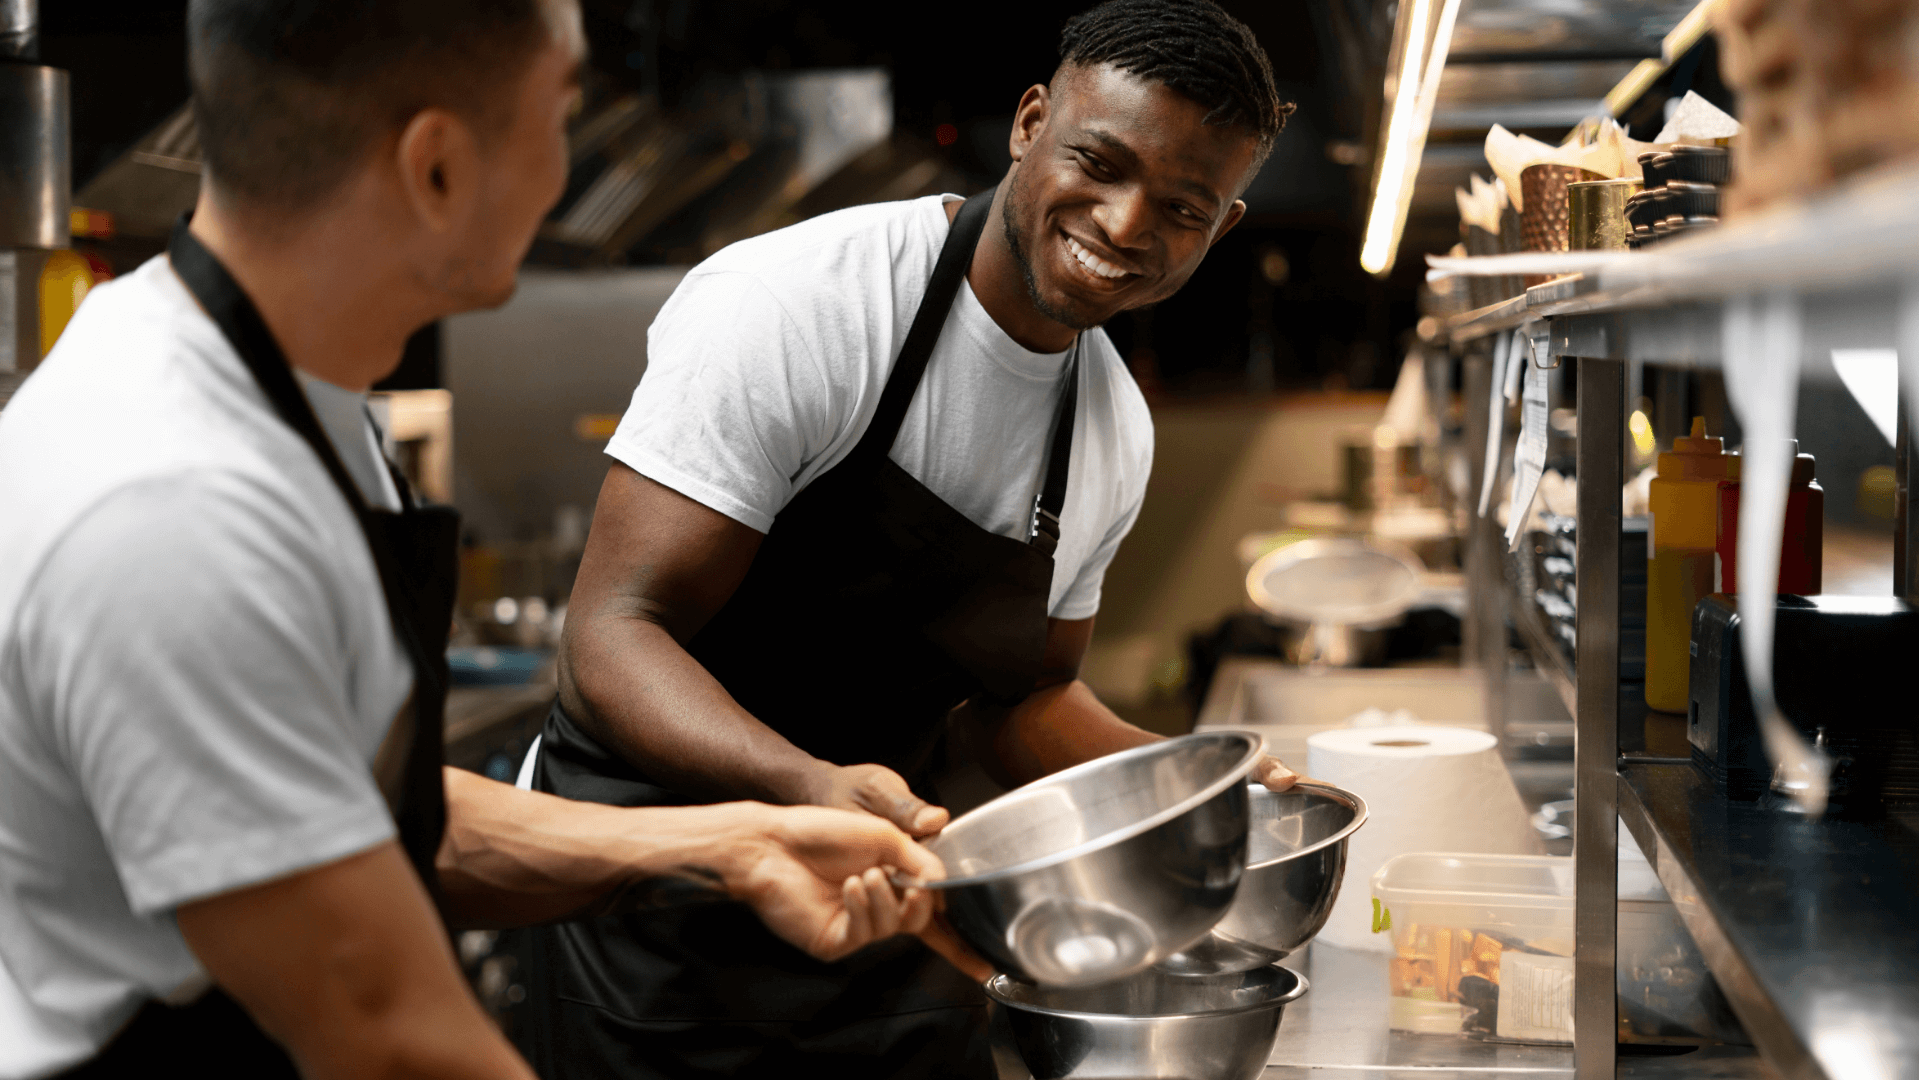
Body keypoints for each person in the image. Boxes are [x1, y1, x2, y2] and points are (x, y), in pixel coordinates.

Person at [0, 2, 948, 1078]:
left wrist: (731, 843)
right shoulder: (173, 504)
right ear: (438, 166)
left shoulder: (302, 410)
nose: (565, 162)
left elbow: (370, 818)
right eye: (560, 113)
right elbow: (384, 1030)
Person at [522, 1, 1298, 1076]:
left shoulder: (1113, 427)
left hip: (887, 913)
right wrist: (807, 786)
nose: (1126, 224)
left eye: (1182, 206)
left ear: (1224, 227)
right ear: (1031, 123)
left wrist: (1200, 784)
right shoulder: (799, 307)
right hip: (658, 918)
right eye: (1100, 162)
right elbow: (612, 634)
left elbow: (1016, 705)